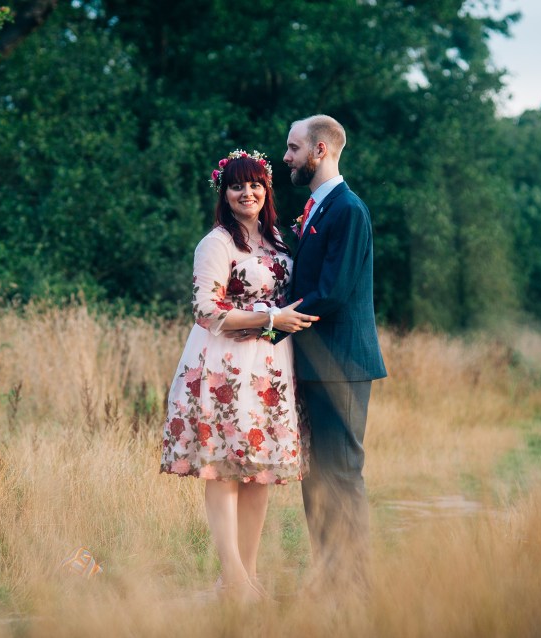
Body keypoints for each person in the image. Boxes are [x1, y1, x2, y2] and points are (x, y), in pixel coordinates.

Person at [160, 149, 319, 602]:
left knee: (258, 473)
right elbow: (206, 311)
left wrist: (280, 323)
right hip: (224, 366)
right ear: (224, 193)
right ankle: (233, 578)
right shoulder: (217, 243)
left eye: (254, 184)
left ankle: (245, 578)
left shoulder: (280, 240)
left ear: (266, 188)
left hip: (270, 368)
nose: (246, 192)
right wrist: (271, 319)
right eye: (236, 185)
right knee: (224, 469)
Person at [282, 115, 387, 589]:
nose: (286, 157)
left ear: (320, 150)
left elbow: (332, 292)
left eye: (293, 148)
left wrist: (268, 325)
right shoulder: (317, 208)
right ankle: (329, 575)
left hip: (340, 364)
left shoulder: (347, 209)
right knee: (316, 475)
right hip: (315, 364)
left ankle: (356, 587)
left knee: (340, 473)